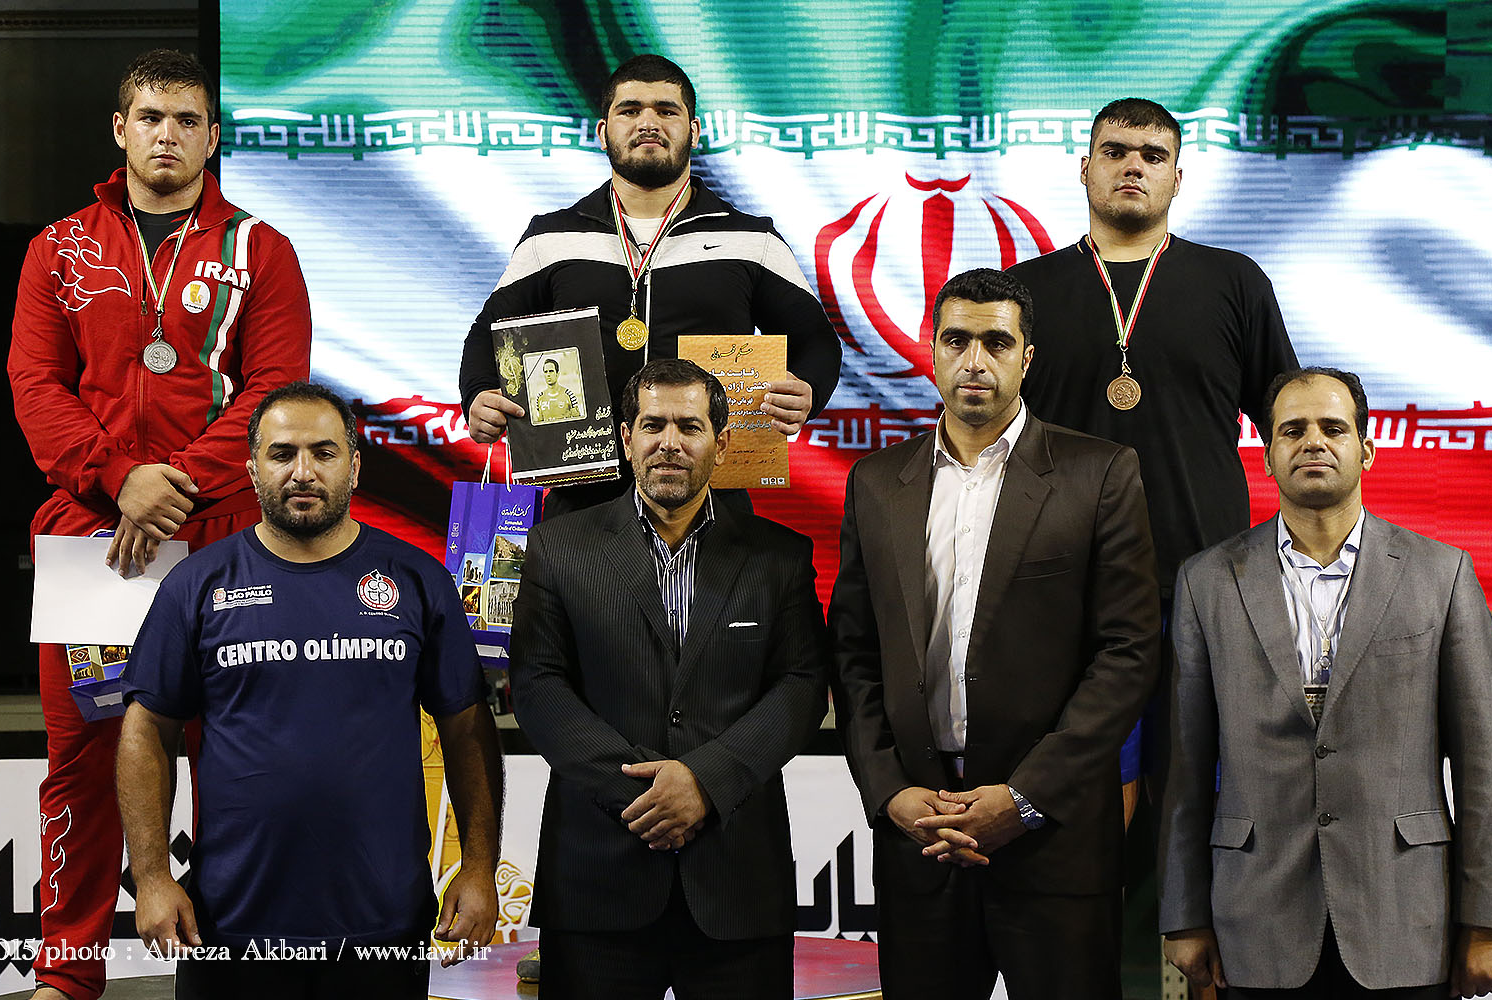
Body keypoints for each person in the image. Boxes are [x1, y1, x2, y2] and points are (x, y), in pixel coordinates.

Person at [6, 49, 312, 1000]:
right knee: (83, 757)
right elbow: (35, 384)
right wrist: (117, 479)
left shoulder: (261, 248)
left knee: (235, 754)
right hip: (91, 538)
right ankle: (68, 969)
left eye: (186, 120)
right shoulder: (59, 247)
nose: (167, 135)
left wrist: (170, 487)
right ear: (120, 129)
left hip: (224, 533)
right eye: (150, 117)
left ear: (212, 137)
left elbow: (275, 391)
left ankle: (233, 961)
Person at [829, 269, 1160, 997]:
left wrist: (1026, 797)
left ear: (1027, 357)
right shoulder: (877, 482)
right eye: (956, 340)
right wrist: (891, 791)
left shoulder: (1100, 473)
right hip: (920, 836)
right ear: (933, 352)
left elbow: (1129, 653)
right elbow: (854, 653)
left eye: (996, 342)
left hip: (1053, 836)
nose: (974, 360)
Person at [116, 382, 503, 998]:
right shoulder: (197, 584)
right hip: (230, 924)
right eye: (282, 453)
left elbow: (466, 727)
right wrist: (153, 876)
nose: (303, 472)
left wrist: (479, 867)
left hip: (382, 924)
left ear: (355, 466)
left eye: (324, 452)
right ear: (252, 468)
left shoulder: (416, 578)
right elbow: (146, 730)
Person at [1159, 368, 1492, 998]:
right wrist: (1184, 914)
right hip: (1255, 920)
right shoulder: (1207, 581)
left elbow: (1485, 763)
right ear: (1266, 456)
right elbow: (1187, 766)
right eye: (1292, 430)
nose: (1313, 442)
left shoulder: (1442, 575)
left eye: (1333, 428)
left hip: (1405, 919)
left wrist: (1490, 922)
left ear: (1367, 449)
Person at [1007, 97, 1298, 801]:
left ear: (1177, 177)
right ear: (1085, 169)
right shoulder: (1025, 291)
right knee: (1088, 804)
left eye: (1153, 155)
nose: (1133, 166)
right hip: (1068, 584)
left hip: (1208, 579)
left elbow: (1289, 424)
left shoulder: (1233, 282)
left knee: (1214, 797)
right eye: (1115, 152)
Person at [508, 358, 828, 998]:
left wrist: (704, 782)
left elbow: (802, 687)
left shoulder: (780, 556)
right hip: (597, 881)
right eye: (653, 425)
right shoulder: (557, 547)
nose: (670, 443)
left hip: (737, 885)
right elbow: (538, 686)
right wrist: (645, 797)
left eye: (690, 426)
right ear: (626, 438)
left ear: (722, 443)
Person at [459, 54, 842, 517]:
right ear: (603, 132)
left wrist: (807, 387)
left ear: (693, 131)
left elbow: (817, 341)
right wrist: (479, 393)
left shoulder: (751, 238)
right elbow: (487, 335)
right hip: (582, 504)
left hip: (712, 503)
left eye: (666, 110)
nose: (647, 122)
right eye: (630, 110)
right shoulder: (550, 237)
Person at [533, 357, 582, 422]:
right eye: (546, 372)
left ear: (557, 374)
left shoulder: (569, 394)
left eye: (551, 371)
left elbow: (578, 420)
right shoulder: (540, 397)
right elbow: (540, 421)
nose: (548, 374)